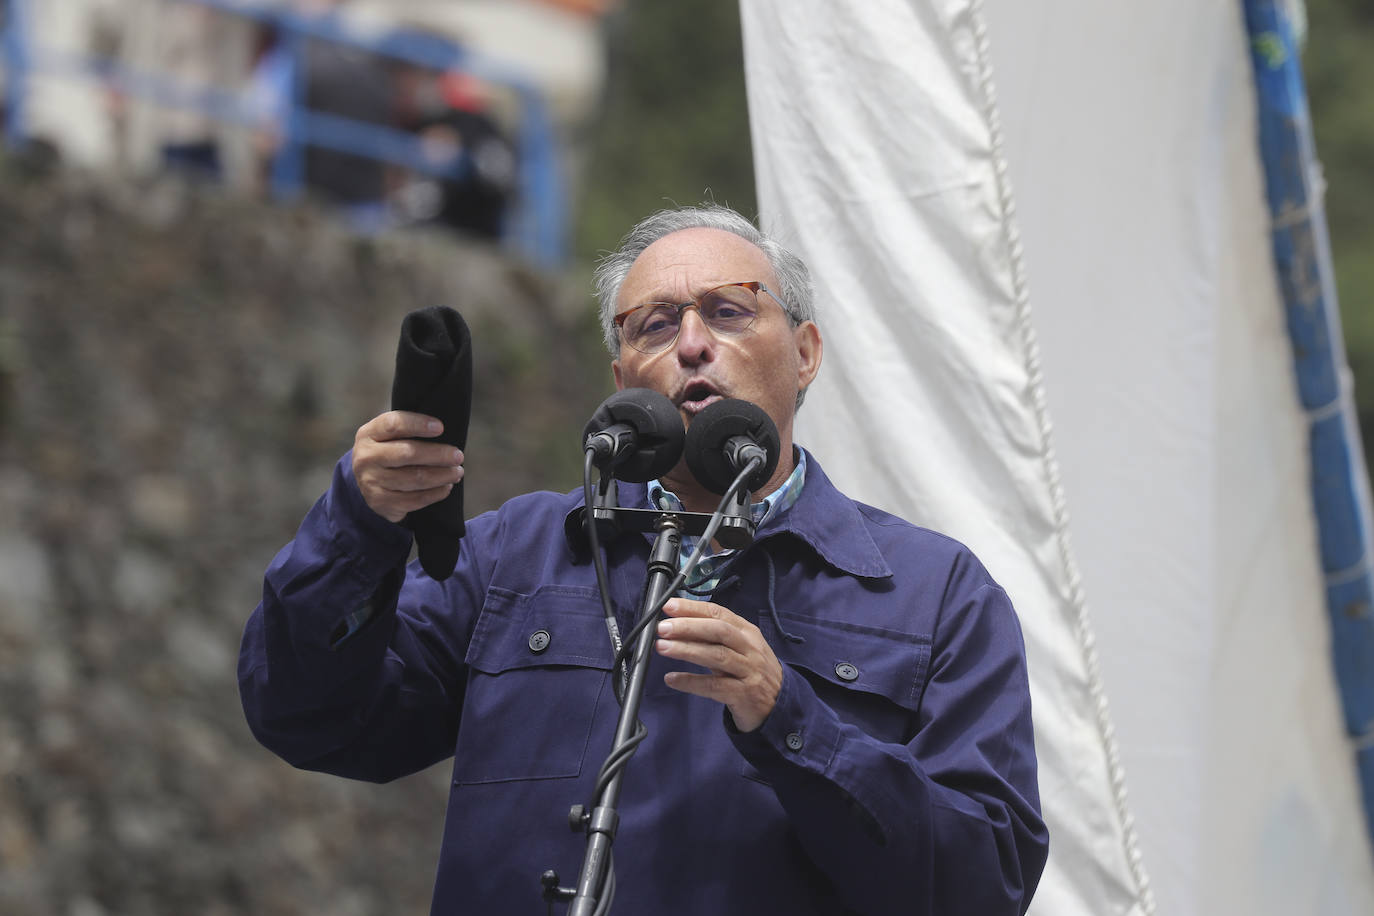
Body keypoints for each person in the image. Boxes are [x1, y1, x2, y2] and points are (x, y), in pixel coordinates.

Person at [238, 204, 1049, 914]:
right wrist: (361, 524)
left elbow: (984, 885)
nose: (693, 343)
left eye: (730, 312)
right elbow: (309, 717)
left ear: (804, 353)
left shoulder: (934, 595)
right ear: (622, 376)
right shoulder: (517, 555)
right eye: (656, 325)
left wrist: (791, 720)